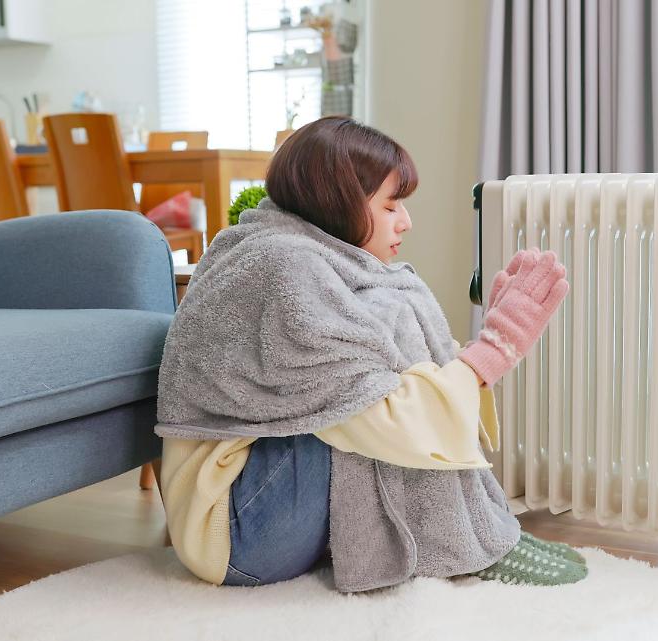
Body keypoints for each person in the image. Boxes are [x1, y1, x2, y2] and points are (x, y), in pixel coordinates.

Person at [154, 116, 586, 590]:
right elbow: (380, 416)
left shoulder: (311, 257)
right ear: (338, 202)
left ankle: (475, 530)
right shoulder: (283, 267)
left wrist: (478, 357)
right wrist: (493, 350)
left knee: (374, 381)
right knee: (365, 402)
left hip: (264, 508)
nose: (406, 221)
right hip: (236, 535)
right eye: (390, 205)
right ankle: (460, 544)